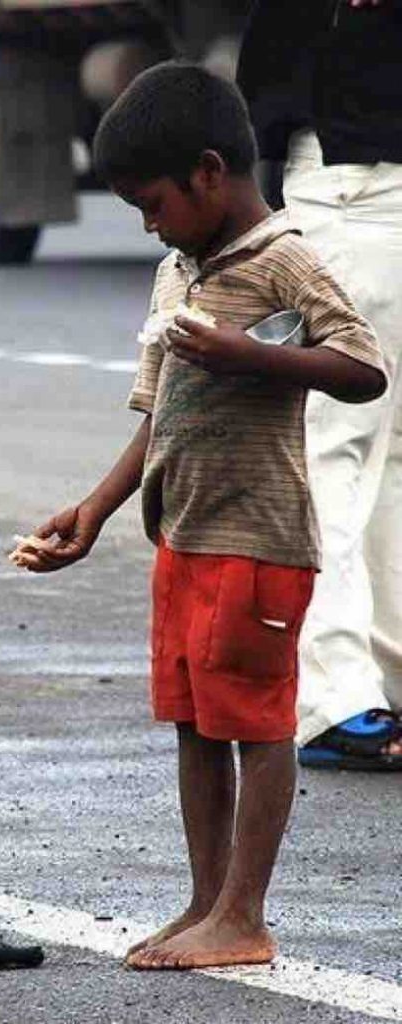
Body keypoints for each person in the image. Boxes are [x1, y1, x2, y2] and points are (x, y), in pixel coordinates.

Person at [9, 62, 386, 970]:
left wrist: (249, 358)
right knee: (194, 723)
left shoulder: (284, 256)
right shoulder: (176, 270)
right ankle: (204, 900)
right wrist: (95, 510)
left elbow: (362, 366)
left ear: (208, 173)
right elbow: (158, 410)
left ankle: (244, 917)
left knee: (256, 726)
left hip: (258, 541)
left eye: (153, 203)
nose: (148, 224)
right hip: (181, 535)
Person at [237, 0, 402, 769]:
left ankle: (370, 683)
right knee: (345, 444)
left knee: (377, 450)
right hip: (357, 178)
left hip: (365, 177)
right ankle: (336, 697)